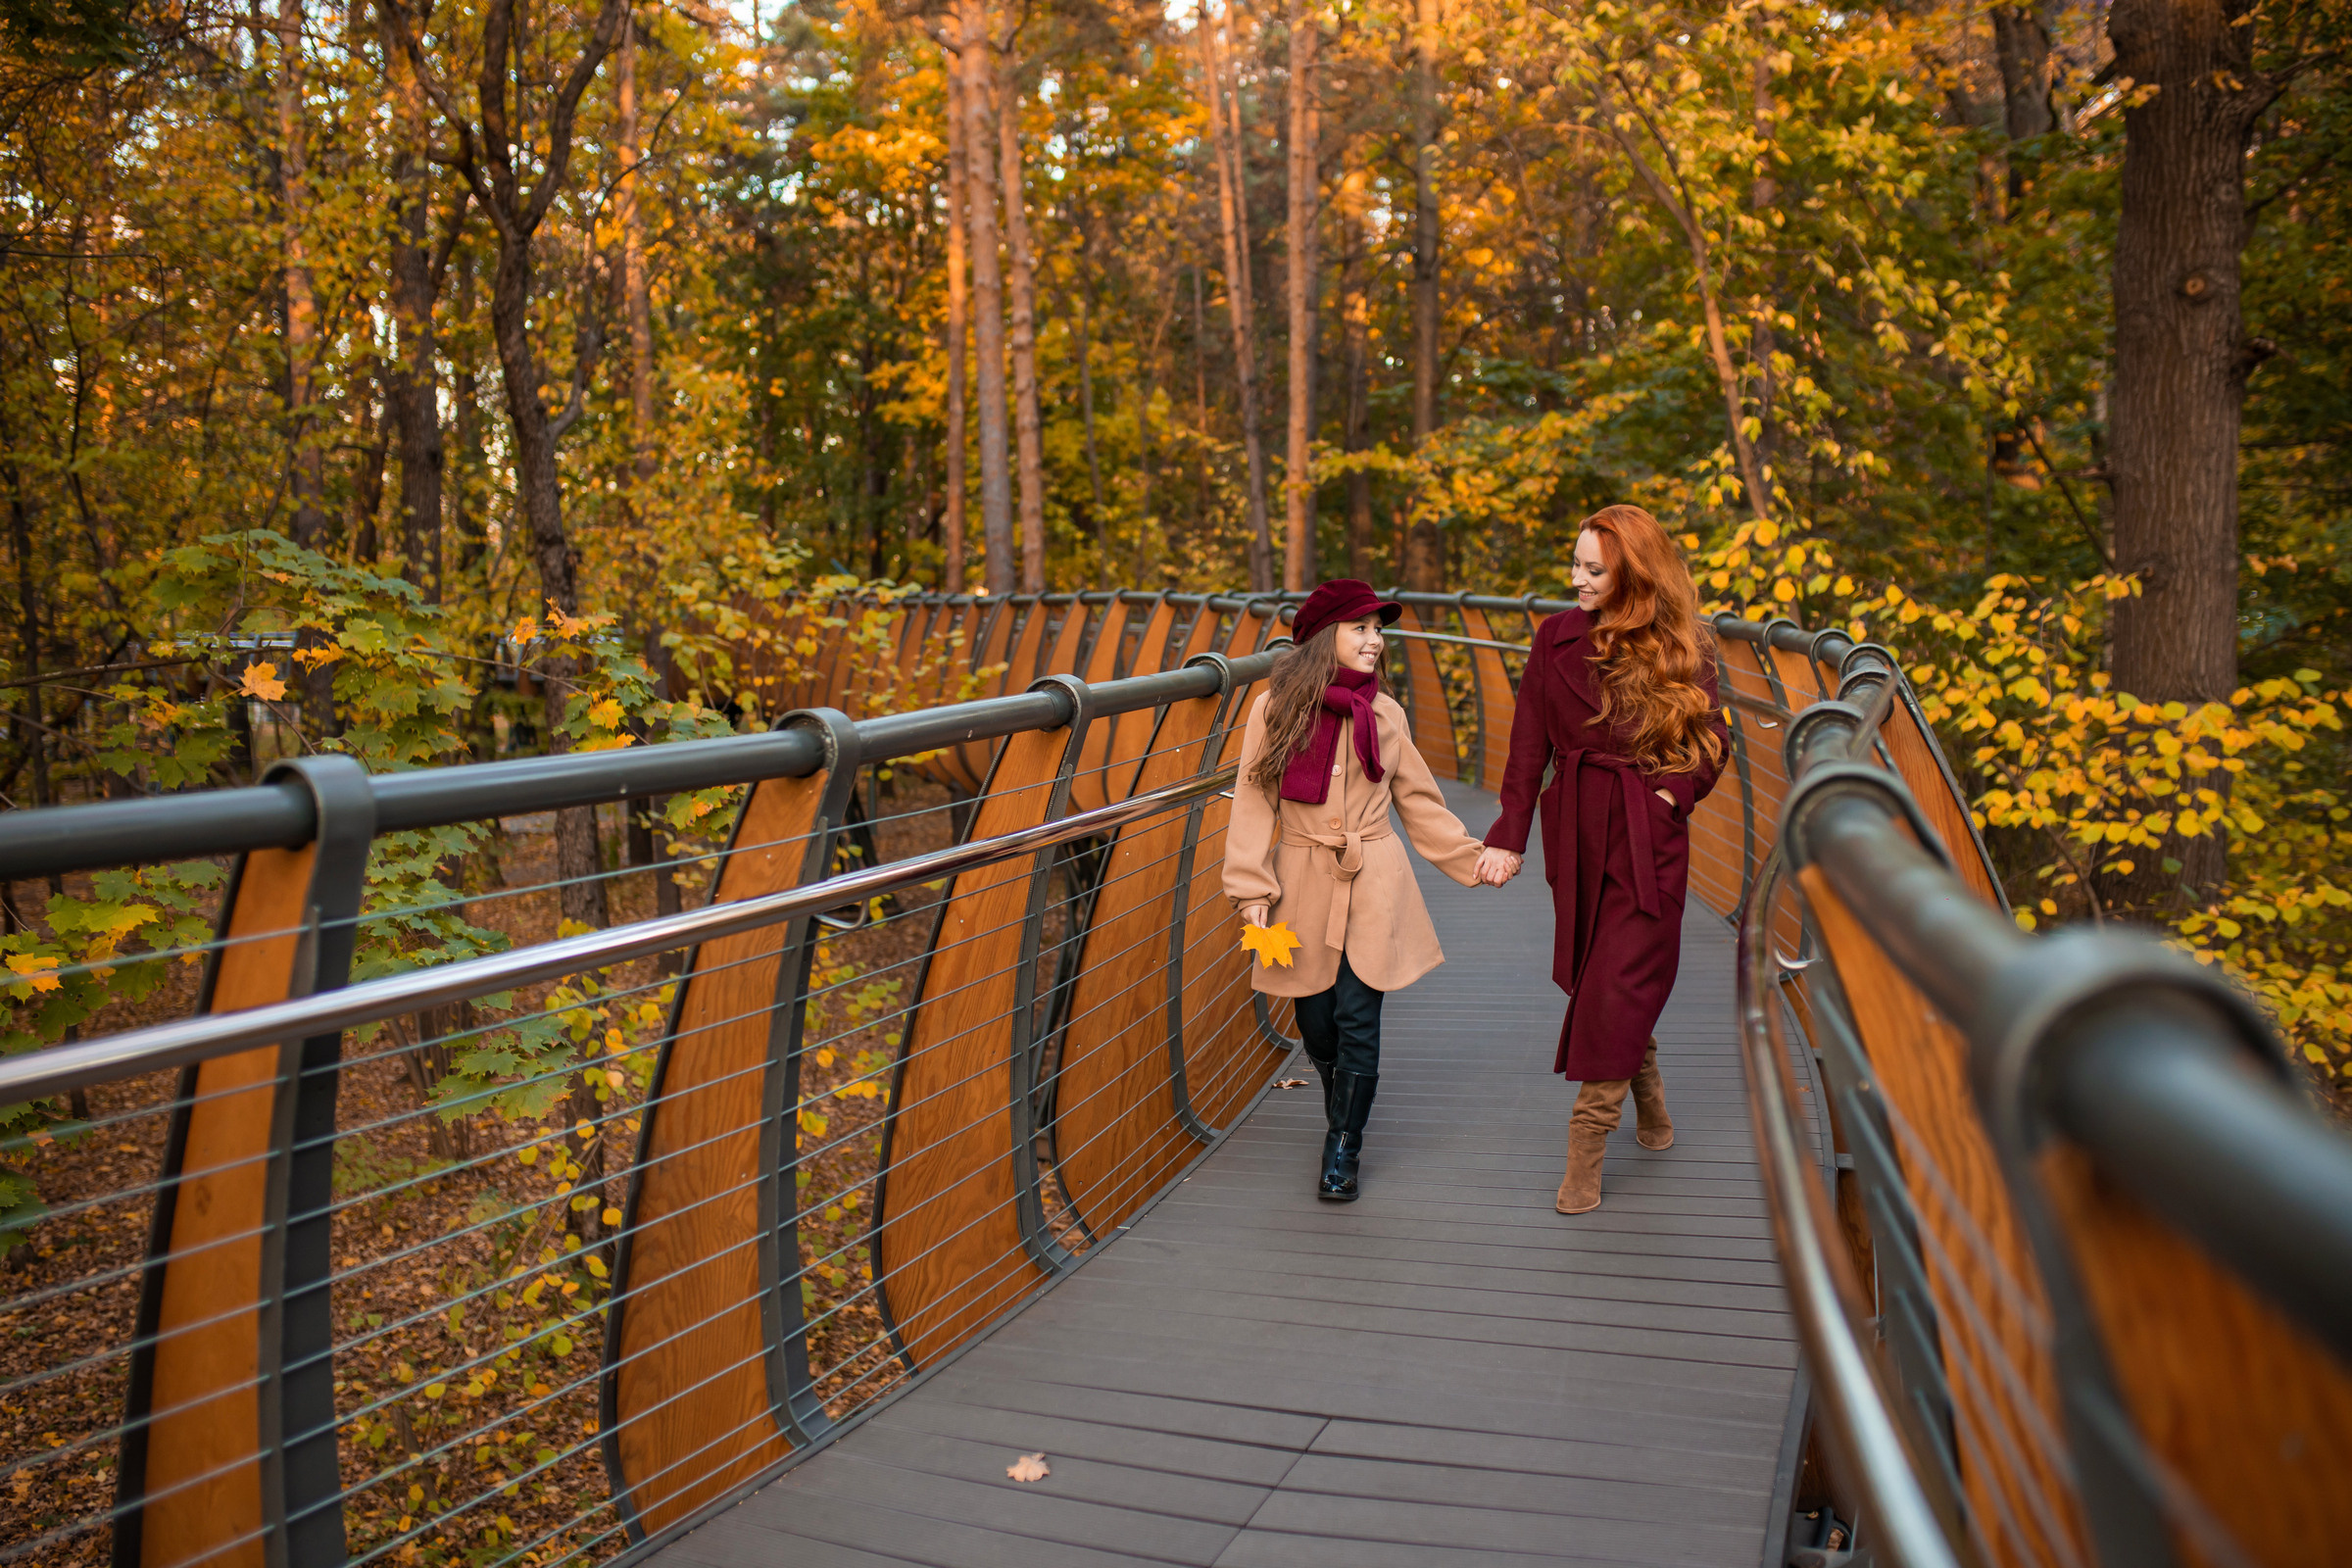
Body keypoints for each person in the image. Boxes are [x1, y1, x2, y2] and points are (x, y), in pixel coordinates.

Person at [1473, 506, 1730, 1214]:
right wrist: (1508, 833)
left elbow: (1712, 743)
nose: (1576, 579)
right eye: (1577, 564)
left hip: (1649, 835)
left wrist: (1671, 801)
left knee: (1618, 980)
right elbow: (1529, 746)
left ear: (1634, 575)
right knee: (1598, 978)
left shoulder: (1684, 645)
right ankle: (1648, 1093)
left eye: (1594, 569)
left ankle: (1585, 1152)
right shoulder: (1553, 638)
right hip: (1578, 832)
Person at [1225, 578, 1488, 1201]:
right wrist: (1251, 888)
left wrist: (1473, 860)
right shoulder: (1273, 709)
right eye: (1361, 629)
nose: (1375, 641)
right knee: (1315, 1023)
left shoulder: (1386, 713)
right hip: (1299, 878)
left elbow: (1417, 800)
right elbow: (1255, 799)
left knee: (1358, 1016)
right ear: (1325, 639)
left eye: (1378, 630)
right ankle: (1340, 1091)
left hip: (1374, 876)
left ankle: (1344, 1141)